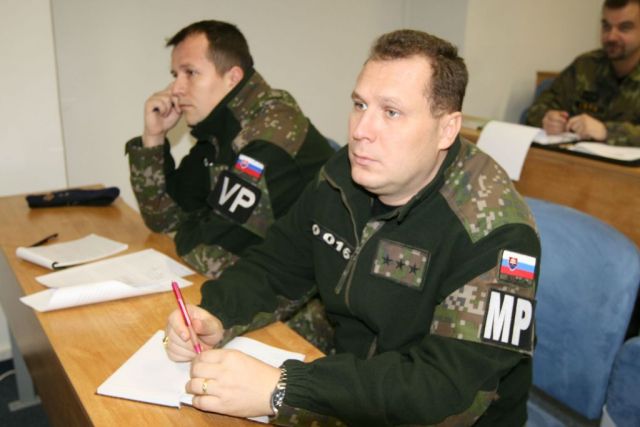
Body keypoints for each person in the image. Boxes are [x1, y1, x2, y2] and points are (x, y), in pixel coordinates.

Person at [164, 29, 541, 426]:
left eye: (391, 112)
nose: (361, 130)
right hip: (351, 392)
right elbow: (277, 266)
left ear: (447, 129)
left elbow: (445, 390)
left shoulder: (499, 234)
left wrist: (285, 389)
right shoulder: (343, 174)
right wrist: (215, 314)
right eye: (360, 105)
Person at [125, 20, 334, 279]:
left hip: (307, 298)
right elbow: (163, 219)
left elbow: (211, 255)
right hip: (255, 283)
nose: (176, 89)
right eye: (175, 75)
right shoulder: (220, 131)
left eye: (190, 73)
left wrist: (200, 221)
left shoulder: (268, 138)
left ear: (232, 78)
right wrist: (154, 137)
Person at [525, 0, 640, 147]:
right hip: (576, 159)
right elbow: (536, 109)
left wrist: (607, 131)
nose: (611, 37)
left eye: (624, 28)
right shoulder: (586, 66)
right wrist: (548, 119)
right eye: (606, 26)